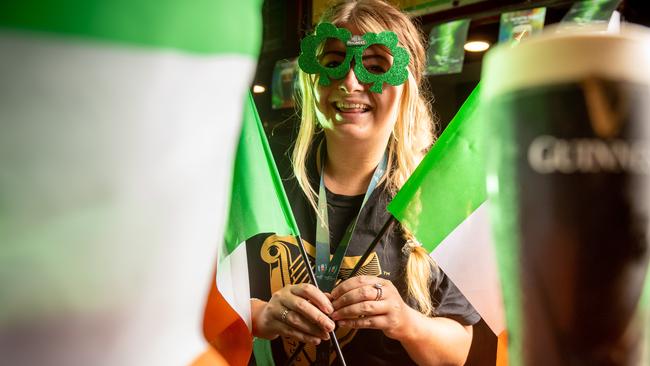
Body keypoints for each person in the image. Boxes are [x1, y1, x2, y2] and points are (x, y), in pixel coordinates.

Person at [247, 0, 480, 364]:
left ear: (407, 85)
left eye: (374, 67)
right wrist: (261, 316)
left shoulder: (435, 196)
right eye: (333, 64)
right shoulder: (267, 177)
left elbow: (456, 353)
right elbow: (205, 300)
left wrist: (404, 321)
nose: (350, 82)